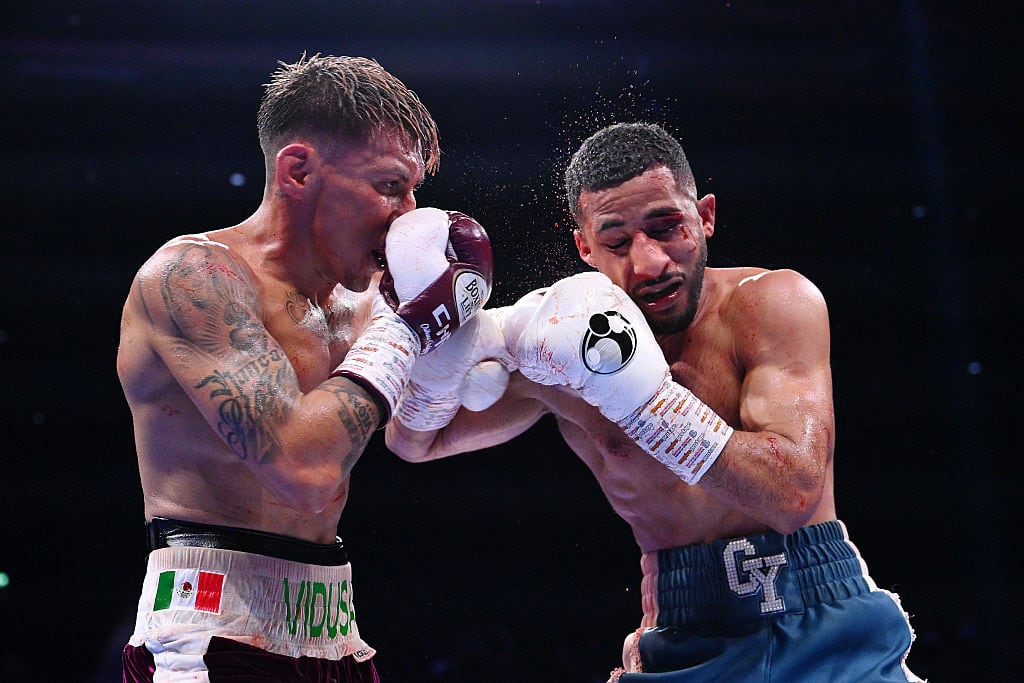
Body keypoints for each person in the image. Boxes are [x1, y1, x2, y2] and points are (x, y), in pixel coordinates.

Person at [385, 122, 923, 681]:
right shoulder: (553, 343)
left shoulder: (772, 305)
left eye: (668, 228)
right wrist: (443, 357)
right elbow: (416, 442)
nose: (650, 263)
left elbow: (790, 493)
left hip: (823, 622)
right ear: (584, 247)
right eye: (617, 242)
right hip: (683, 631)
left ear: (705, 215)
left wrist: (643, 402)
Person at [117, 54, 492, 681]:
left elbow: (420, 438)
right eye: (389, 186)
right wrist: (405, 333)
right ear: (298, 170)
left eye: (414, 192)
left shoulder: (369, 305)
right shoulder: (194, 279)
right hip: (210, 629)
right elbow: (301, 468)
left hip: (334, 632)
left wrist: (541, 341)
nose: (407, 216)